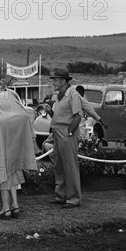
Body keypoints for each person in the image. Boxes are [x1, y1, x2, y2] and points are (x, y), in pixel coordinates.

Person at [0, 77, 37, 219]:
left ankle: (5, 209)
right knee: (12, 170)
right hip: (16, 136)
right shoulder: (9, 94)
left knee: (0, 172)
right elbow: (24, 112)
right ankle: (14, 206)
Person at [49, 69, 83, 209]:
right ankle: (61, 195)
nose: (54, 83)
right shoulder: (60, 96)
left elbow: (78, 116)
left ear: (63, 81)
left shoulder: (73, 95)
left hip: (66, 132)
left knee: (70, 165)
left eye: (56, 80)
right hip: (58, 132)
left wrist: (69, 133)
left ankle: (74, 198)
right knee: (59, 165)